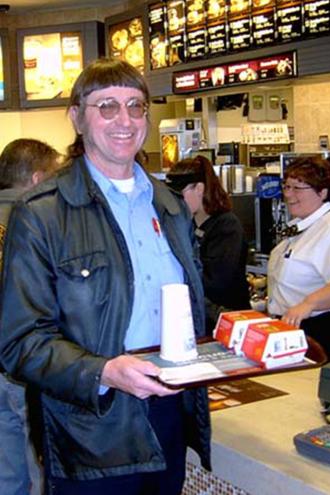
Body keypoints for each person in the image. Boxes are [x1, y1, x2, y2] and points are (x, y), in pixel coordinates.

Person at [0, 59, 211, 495]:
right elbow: (20, 342)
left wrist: (239, 331)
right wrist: (105, 372)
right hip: (90, 430)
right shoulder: (41, 213)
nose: (125, 119)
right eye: (107, 106)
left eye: (136, 106)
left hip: (169, 414)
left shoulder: (171, 207)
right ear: (77, 117)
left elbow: (182, 307)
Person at [0, 138, 61, 495]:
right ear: (38, 179)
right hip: (26, 368)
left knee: (7, 475)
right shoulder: (39, 226)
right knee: (40, 470)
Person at [267, 156, 330, 361]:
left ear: (322, 193)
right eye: (287, 187)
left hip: (329, 333)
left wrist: (308, 304)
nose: (289, 195)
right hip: (295, 330)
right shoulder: (302, 226)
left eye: (297, 188)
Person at [166, 156, 251, 328]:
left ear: (199, 188)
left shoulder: (226, 226)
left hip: (227, 321)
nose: (175, 202)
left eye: (180, 195)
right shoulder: (188, 224)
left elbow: (216, 283)